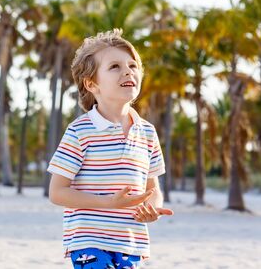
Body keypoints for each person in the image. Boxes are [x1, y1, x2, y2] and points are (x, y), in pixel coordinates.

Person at [47, 29, 173, 269]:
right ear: (92, 84)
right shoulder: (80, 131)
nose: (128, 70)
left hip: (131, 241)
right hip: (89, 240)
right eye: (114, 66)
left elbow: (152, 188)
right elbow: (57, 192)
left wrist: (152, 208)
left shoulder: (147, 132)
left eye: (133, 65)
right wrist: (109, 203)